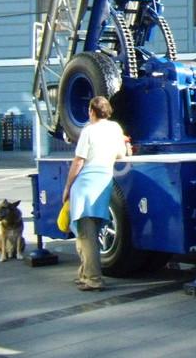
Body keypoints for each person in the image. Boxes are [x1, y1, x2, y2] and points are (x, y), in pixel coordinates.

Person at [62, 96, 128, 291]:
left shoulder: (89, 131)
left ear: (91, 111)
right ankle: (84, 274)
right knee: (92, 232)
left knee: (85, 235)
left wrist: (67, 187)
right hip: (104, 183)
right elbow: (121, 154)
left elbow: (79, 161)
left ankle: (93, 279)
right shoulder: (115, 128)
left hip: (86, 185)